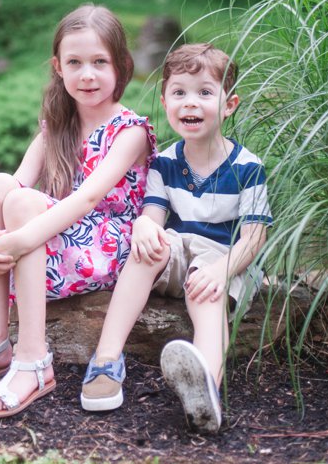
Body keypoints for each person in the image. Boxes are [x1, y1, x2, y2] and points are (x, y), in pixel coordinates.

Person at [0, 4, 155, 419]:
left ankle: (34, 360)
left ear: (122, 66)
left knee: (25, 202)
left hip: (107, 246)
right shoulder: (56, 125)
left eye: (100, 62)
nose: (87, 74)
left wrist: (20, 240)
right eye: (75, 63)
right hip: (57, 242)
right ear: (58, 67)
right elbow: (10, 186)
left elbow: (86, 200)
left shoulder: (131, 131)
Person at [78, 43, 271, 433]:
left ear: (229, 104)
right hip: (180, 250)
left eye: (204, 93)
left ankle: (206, 388)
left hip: (223, 257)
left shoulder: (249, 167)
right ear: (165, 102)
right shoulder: (164, 162)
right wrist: (144, 227)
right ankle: (106, 358)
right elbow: (153, 215)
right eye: (179, 93)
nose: (190, 104)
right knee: (147, 249)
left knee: (207, 293)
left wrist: (222, 270)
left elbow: (253, 238)